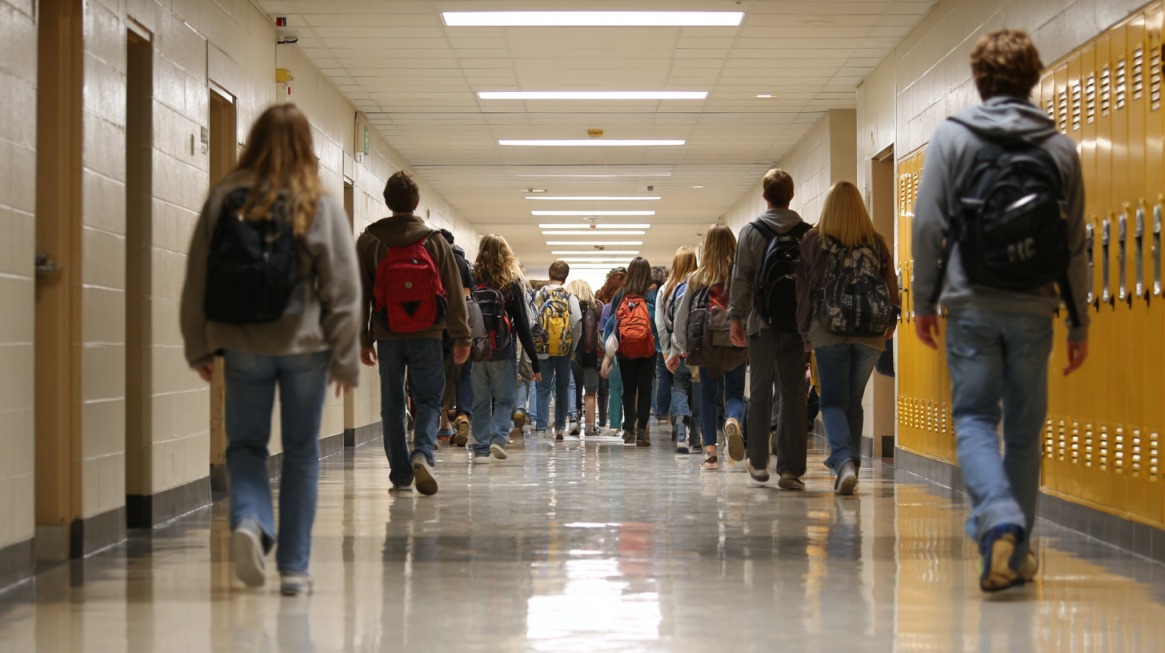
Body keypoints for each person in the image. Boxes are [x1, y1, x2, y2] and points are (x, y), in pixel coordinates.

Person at [913, 29, 1089, 592]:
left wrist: (923, 300)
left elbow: (930, 227)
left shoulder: (952, 139)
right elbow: (1075, 242)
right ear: (1033, 77)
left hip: (971, 301)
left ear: (980, 80)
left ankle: (999, 523)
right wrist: (1080, 318)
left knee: (973, 419)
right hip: (1036, 306)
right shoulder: (1058, 147)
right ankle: (1015, 552)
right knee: (1025, 430)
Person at [180, 103, 362, 595]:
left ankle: (250, 520)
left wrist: (199, 342)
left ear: (253, 141)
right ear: (307, 147)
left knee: (245, 447)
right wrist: (345, 357)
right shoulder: (318, 202)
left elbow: (198, 272)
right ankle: (295, 570)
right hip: (305, 346)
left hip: (242, 343)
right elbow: (343, 289)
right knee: (302, 453)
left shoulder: (225, 196)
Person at [357, 171, 470, 497]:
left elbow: (360, 293)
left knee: (392, 404)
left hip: (388, 333)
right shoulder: (434, 240)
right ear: (416, 202)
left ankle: (400, 475)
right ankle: (422, 452)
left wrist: (363, 338)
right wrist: (462, 337)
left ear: (387, 201)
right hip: (428, 334)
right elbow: (453, 292)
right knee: (430, 398)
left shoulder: (370, 241)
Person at [796, 181, 900, 495]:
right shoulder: (877, 243)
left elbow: (803, 292)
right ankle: (850, 462)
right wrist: (891, 320)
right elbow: (891, 288)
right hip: (870, 335)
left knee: (831, 401)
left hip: (829, 331)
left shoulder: (813, 241)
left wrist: (803, 333)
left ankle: (844, 461)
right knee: (853, 402)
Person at [729, 168, 812, 489]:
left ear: (765, 196)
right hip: (796, 326)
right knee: (793, 395)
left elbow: (741, 279)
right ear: (791, 195)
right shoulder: (808, 233)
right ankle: (791, 470)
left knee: (760, 392)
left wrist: (736, 318)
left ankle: (759, 461)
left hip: (761, 325)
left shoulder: (751, 232)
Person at [669, 226, 747, 469]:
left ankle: (710, 453)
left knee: (708, 395)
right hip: (735, 340)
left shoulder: (697, 278)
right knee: (734, 392)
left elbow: (682, 318)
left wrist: (677, 349)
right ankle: (733, 419)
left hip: (705, 345)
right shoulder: (741, 274)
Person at [468, 235, 542, 463]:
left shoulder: (472, 281)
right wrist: (535, 363)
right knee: (505, 399)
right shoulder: (509, 284)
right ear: (506, 255)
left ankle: (480, 449)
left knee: (480, 401)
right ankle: (498, 438)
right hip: (502, 351)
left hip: (477, 352)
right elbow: (522, 325)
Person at [603, 257, 658, 446]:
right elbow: (657, 323)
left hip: (625, 348)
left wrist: (608, 353)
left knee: (628, 389)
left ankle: (628, 430)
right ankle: (642, 430)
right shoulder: (653, 293)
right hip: (648, 348)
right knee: (645, 388)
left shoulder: (621, 294)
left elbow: (612, 323)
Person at [656, 246, 699, 453]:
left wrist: (667, 351)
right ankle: (698, 441)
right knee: (699, 391)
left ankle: (681, 431)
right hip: (699, 348)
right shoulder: (702, 284)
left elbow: (661, 325)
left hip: (677, 349)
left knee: (680, 387)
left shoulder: (666, 289)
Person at [533, 261, 582, 440]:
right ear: (566, 277)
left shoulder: (540, 294)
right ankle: (560, 428)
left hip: (542, 348)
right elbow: (577, 322)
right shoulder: (570, 296)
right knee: (562, 387)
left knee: (542, 387)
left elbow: (532, 319)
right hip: (563, 348)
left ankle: (540, 427)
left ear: (549, 273)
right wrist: (572, 347)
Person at [438, 228, 474, 447]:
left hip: (436, 325)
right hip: (461, 325)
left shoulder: (430, 259)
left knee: (439, 373)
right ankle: (463, 415)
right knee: (464, 373)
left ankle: (442, 423)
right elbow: (469, 296)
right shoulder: (463, 263)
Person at [567, 279, 603, 436]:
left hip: (571, 354)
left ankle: (573, 420)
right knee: (590, 392)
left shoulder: (567, 308)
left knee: (572, 389)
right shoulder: (596, 308)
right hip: (591, 356)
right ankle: (589, 427)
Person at [596, 268, 627, 435]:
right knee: (631, 388)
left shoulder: (608, 308)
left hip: (614, 350)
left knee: (615, 388)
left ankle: (615, 424)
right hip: (633, 349)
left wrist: (607, 355)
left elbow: (602, 334)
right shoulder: (635, 302)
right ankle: (631, 423)